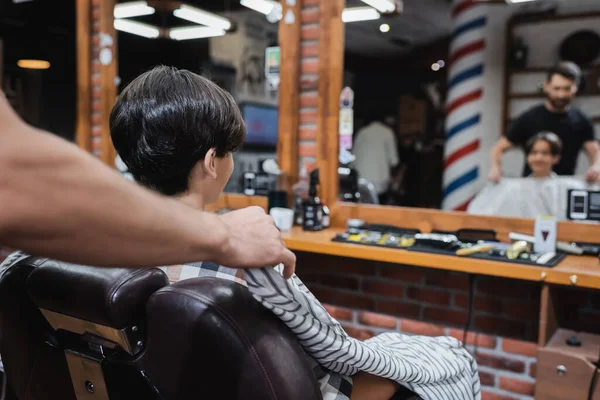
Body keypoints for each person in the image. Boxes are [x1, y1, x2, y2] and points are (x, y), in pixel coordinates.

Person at [107, 66, 412, 400]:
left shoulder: (109, 255)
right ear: (212, 162)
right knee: (438, 360)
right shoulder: (244, 256)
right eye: (230, 153)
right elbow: (338, 355)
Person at [0, 90, 295, 277]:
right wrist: (225, 235)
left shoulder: (17, 268)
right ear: (211, 162)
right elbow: (338, 355)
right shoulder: (252, 262)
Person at [488, 62, 600, 183]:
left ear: (576, 87)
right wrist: (495, 168)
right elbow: (498, 148)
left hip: (562, 188)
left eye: (567, 89)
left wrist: (596, 167)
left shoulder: (581, 121)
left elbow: (594, 151)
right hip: (530, 187)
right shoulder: (529, 118)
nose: (561, 94)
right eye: (557, 88)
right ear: (547, 86)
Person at [352, 114, 400, 203]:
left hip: (362, 181)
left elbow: (353, 160)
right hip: (380, 183)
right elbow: (394, 161)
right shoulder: (388, 132)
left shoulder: (362, 132)